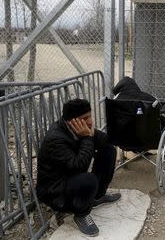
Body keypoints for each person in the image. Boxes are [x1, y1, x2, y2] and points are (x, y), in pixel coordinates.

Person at [37, 99, 120, 237]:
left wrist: (94, 134)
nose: (89, 121)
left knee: (109, 150)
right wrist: (87, 138)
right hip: (55, 192)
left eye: (90, 116)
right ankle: (81, 213)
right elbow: (78, 167)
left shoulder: (78, 129)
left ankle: (97, 196)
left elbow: (106, 141)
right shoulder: (56, 139)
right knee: (89, 179)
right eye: (85, 118)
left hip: (69, 179)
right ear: (72, 122)